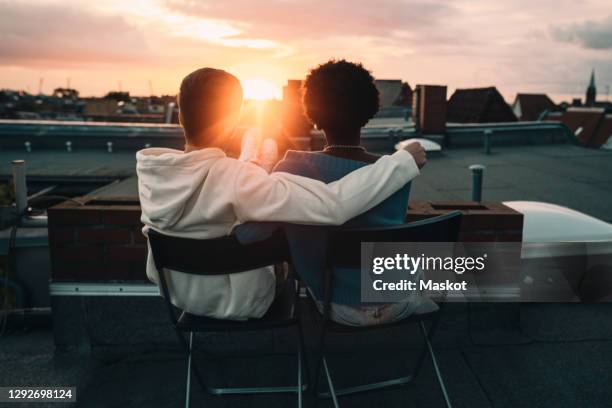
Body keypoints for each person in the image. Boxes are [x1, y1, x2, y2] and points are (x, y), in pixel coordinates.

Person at [136, 67, 427, 320]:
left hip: (180, 295)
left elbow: (220, 180)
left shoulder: (152, 172)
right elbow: (331, 205)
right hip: (240, 303)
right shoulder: (241, 181)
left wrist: (256, 165)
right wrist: (402, 163)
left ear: (180, 116)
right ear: (232, 118)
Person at [238, 60, 436, 325]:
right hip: (399, 300)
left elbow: (249, 233)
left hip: (336, 306)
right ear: (370, 111)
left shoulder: (291, 170)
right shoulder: (395, 172)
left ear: (313, 115)